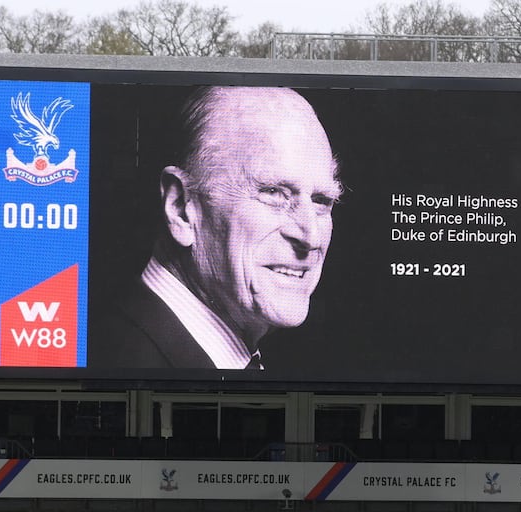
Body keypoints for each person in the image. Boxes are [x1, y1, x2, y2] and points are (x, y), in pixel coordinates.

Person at [94, 86, 342, 369]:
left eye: (322, 200)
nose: (310, 237)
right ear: (181, 208)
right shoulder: (123, 366)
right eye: (273, 193)